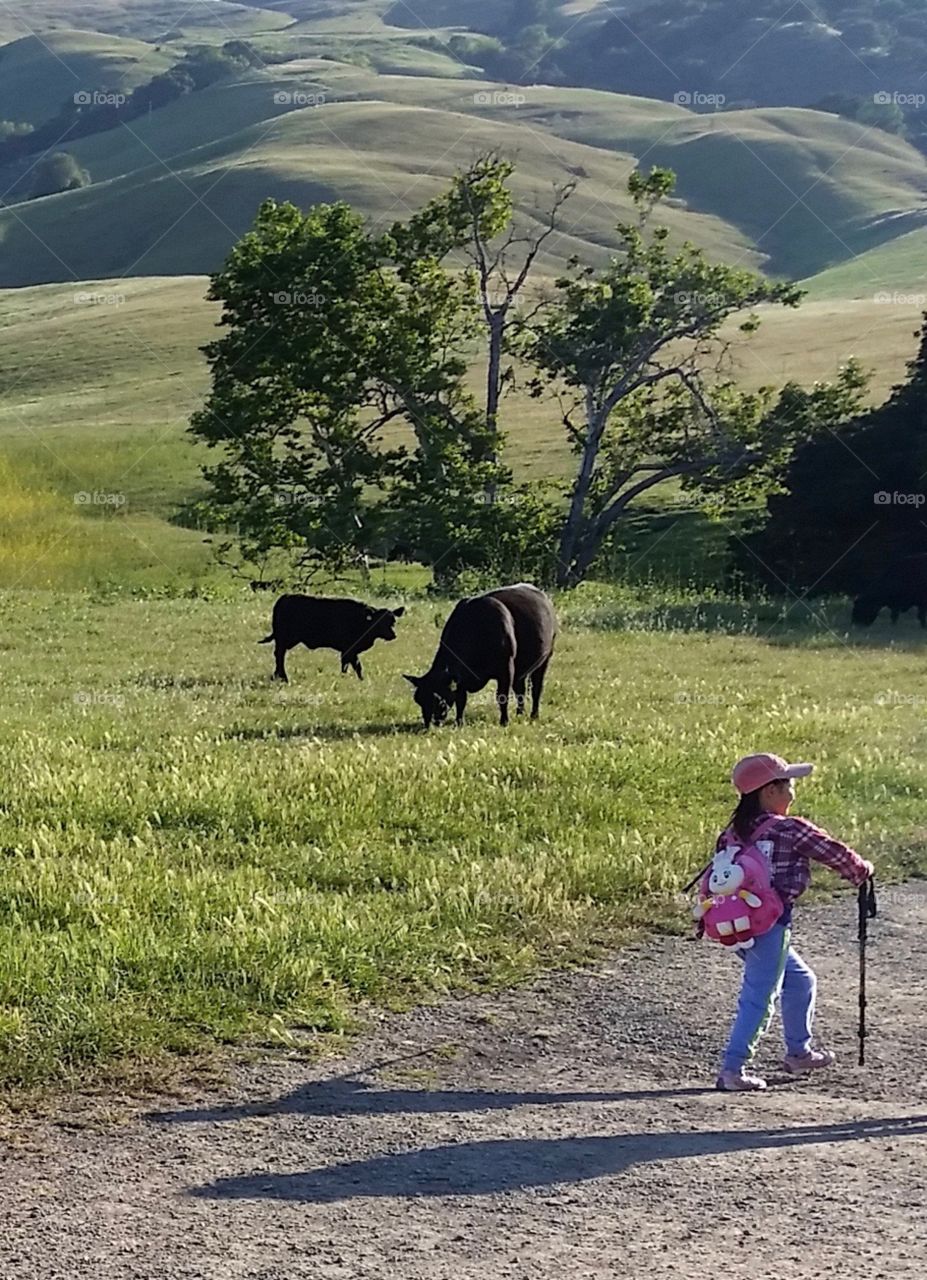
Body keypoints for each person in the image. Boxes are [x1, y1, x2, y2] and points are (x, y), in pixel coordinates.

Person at [714, 752, 874, 1093]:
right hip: (770, 924)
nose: (792, 792)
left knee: (800, 981)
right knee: (760, 995)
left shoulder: (732, 832)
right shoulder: (790, 828)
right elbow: (833, 852)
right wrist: (861, 871)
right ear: (768, 791)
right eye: (787, 784)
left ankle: (798, 1052)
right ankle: (733, 1068)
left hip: (738, 925)